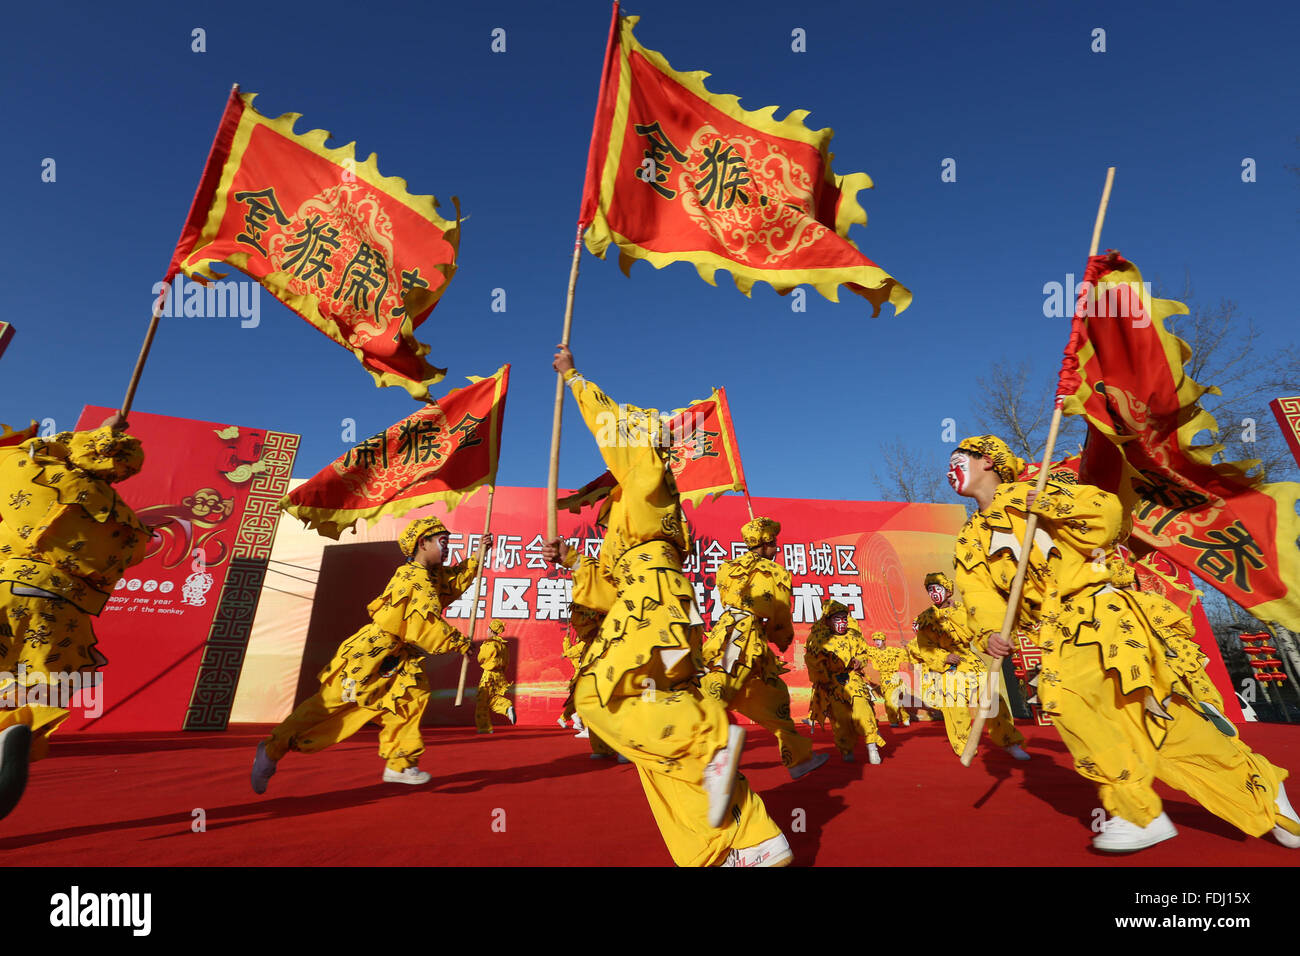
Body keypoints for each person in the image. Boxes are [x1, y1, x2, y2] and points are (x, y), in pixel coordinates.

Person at [947, 434, 1299, 852]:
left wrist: (1046, 505)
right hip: (1056, 633)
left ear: (987, 461)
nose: (951, 469)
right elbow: (978, 594)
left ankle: (1247, 788)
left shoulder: (1038, 491)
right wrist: (990, 632)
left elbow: (1109, 516)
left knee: (1123, 711)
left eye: (958, 458)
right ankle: (1161, 807)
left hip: (1102, 614)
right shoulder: (969, 538)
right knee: (1108, 717)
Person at [542, 343, 790, 867]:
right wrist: (571, 562)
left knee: (599, 698)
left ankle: (712, 738)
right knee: (655, 748)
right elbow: (613, 593)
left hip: (654, 611)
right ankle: (747, 842)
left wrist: (574, 379)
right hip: (655, 610)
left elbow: (609, 422)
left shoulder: (643, 469)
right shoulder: (632, 507)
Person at [251, 517, 488, 791]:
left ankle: (400, 764)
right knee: (327, 706)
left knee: (410, 697)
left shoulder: (430, 577)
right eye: (443, 543)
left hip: (398, 657)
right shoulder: (412, 578)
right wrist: (458, 642)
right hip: (371, 654)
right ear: (423, 543)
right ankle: (272, 748)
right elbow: (423, 623)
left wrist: (478, 557)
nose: (447, 549)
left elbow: (451, 584)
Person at [0, 413, 148, 820]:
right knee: (28, 682)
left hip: (6, 587)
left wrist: (93, 433)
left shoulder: (26, 471)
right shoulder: (130, 525)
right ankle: (13, 727)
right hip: (64, 611)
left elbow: (22, 450)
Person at [700, 516, 827, 780]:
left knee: (774, 696)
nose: (777, 548)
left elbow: (726, 598)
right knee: (714, 694)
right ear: (766, 543)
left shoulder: (727, 568)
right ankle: (704, 758)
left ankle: (799, 758)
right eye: (774, 543)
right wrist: (780, 637)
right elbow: (780, 615)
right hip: (742, 641)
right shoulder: (775, 572)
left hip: (729, 632)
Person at [907, 571, 1029, 760]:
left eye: (937, 588)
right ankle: (964, 746)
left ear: (948, 591)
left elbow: (980, 631)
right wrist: (945, 657)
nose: (933, 593)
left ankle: (1009, 741)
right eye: (930, 590)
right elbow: (925, 647)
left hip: (970, 663)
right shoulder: (926, 619)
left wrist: (993, 641)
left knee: (992, 701)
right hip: (949, 669)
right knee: (955, 708)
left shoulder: (965, 610)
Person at [805, 599, 885, 764]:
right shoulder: (820, 638)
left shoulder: (854, 635)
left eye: (844, 618)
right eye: (837, 619)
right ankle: (846, 748)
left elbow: (864, 654)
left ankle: (872, 746)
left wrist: (859, 661)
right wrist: (823, 675)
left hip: (853, 679)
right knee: (840, 718)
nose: (841, 622)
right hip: (832, 683)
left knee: (863, 710)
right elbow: (812, 661)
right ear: (828, 620)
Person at [475, 619, 516, 734]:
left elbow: (481, 658)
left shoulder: (490, 643)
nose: (486, 630)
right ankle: (507, 707)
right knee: (492, 698)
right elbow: (507, 662)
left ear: (491, 630)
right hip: (500, 675)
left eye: (488, 628)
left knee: (482, 700)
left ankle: (484, 728)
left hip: (489, 674)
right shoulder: (503, 645)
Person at [864, 631, 911, 728]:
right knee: (894, 700)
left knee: (891, 700)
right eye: (875, 640)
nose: (876, 642)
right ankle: (905, 717)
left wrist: (908, 646)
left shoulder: (894, 651)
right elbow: (862, 647)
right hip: (884, 679)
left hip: (894, 678)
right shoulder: (873, 651)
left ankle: (894, 720)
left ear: (884, 641)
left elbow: (908, 655)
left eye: (879, 640)